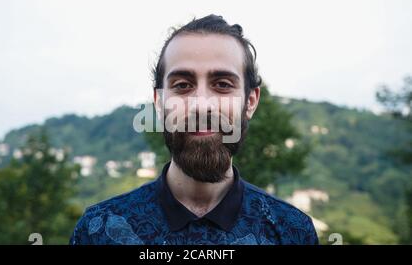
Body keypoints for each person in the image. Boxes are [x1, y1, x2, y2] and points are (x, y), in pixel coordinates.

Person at [69, 14, 318, 245]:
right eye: (182, 85)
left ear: (250, 101)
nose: (201, 104)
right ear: (159, 102)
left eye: (222, 84)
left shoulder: (292, 232)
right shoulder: (97, 231)